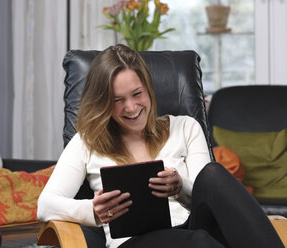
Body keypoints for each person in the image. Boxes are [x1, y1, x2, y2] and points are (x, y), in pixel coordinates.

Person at [37, 44, 283, 248]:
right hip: (133, 242)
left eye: (137, 94)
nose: (131, 108)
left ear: (150, 89)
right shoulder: (87, 141)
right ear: (103, 103)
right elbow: (45, 205)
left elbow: (207, 197)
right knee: (199, 242)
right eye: (118, 100)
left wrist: (180, 186)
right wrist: (93, 210)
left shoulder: (186, 127)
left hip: (193, 230)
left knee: (213, 174)